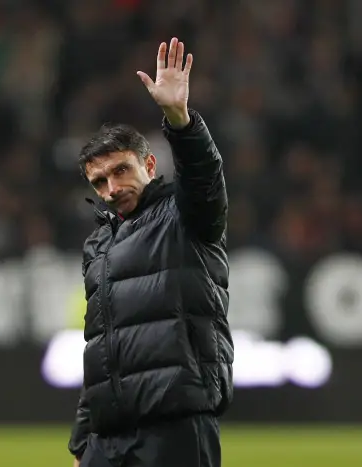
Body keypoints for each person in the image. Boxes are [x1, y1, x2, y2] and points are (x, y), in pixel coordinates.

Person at [69, 38, 234, 467]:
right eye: (99, 181)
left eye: (121, 170)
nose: (111, 188)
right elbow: (101, 346)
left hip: (174, 428)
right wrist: (82, 441)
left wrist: (180, 120)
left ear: (149, 165)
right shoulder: (98, 246)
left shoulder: (185, 216)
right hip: (107, 437)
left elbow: (204, 177)